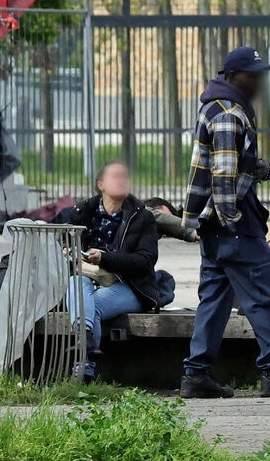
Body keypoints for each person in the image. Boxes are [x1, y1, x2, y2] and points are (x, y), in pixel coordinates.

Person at [180, 46, 270, 398]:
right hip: (233, 225)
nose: (257, 82)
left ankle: (196, 375)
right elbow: (223, 175)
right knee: (264, 295)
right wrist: (232, 220)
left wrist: (257, 167)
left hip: (212, 226)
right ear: (232, 75)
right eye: (251, 75)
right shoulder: (228, 113)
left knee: (214, 300)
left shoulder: (215, 107)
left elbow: (229, 162)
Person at [67, 161, 160, 380]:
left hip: (130, 285)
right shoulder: (82, 212)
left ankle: (84, 368)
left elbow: (145, 262)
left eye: (124, 176)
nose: (122, 180)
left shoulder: (142, 217)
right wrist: (68, 250)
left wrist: (105, 258)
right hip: (88, 277)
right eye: (115, 176)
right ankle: (87, 346)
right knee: (76, 282)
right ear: (100, 184)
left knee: (91, 306)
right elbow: (65, 243)